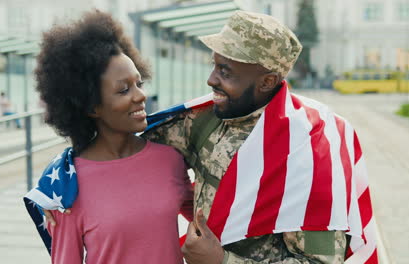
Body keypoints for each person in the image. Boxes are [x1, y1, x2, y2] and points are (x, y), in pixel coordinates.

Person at [42, 11, 377, 264]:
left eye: (226, 72)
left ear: (267, 81)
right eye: (215, 65)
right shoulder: (202, 123)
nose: (211, 80)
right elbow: (114, 136)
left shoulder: (312, 154)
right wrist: (59, 184)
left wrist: (222, 261)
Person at [24, 10, 193, 264]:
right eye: (124, 90)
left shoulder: (170, 159)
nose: (140, 96)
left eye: (139, 83)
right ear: (92, 106)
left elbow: (211, 219)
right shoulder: (67, 187)